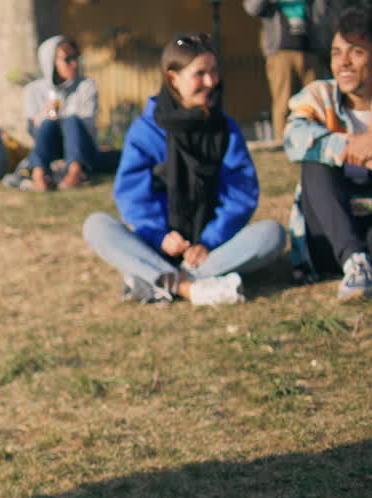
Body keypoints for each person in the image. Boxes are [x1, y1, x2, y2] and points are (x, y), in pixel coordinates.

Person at [83, 32, 286, 305]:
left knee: (272, 234)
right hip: (157, 244)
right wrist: (159, 236)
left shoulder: (225, 129)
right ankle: (190, 288)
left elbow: (241, 194)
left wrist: (208, 242)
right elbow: (132, 194)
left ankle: (156, 279)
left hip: (208, 251)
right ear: (172, 78)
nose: (211, 82)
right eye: (199, 74)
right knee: (96, 226)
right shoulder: (146, 130)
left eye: (214, 72)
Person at [284, 6, 372, 300]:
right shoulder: (320, 95)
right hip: (327, 236)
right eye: (336, 53)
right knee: (314, 161)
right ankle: (355, 263)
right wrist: (347, 146)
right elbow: (293, 139)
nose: (343, 63)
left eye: (356, 52)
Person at [245, 0, 335, 143]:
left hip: (309, 51)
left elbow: (324, 12)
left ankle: (315, 140)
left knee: (314, 101)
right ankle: (283, 143)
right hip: (281, 53)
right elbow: (252, 8)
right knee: (283, 102)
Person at [22, 35, 98, 191]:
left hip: (82, 148)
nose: (74, 64)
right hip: (51, 147)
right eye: (67, 59)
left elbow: (87, 124)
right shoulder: (33, 90)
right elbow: (33, 130)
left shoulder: (86, 86)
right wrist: (47, 117)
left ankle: (75, 173)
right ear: (50, 62)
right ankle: (38, 174)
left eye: (76, 57)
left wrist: (58, 116)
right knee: (48, 123)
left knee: (71, 120)